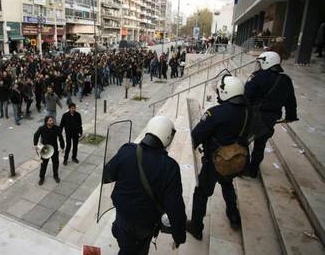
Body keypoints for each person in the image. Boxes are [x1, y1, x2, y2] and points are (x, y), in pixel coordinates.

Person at [103, 116, 187, 254]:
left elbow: (107, 176)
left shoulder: (127, 150)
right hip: (144, 225)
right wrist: (179, 236)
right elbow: (175, 207)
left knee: (125, 246)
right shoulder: (170, 167)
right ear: (167, 137)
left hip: (122, 217)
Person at [187, 75, 249, 240]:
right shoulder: (248, 112)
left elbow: (196, 135)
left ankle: (196, 227)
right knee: (227, 185)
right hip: (236, 160)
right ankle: (234, 217)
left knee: (201, 193)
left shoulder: (215, 113)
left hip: (215, 162)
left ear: (227, 92)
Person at [244, 51, 298, 178]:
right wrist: (291, 116)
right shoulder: (286, 80)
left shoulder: (257, 77)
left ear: (267, 62)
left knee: (243, 141)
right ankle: (253, 170)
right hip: (271, 119)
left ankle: (244, 167)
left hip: (254, 116)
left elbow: (247, 96)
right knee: (260, 144)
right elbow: (291, 101)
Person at [33, 116, 65, 184]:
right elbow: (36, 135)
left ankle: (55, 176)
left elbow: (60, 137)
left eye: (52, 120)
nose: (52, 122)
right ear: (46, 122)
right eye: (50, 121)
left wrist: (62, 147)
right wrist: (35, 144)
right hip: (45, 149)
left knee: (56, 163)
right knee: (43, 165)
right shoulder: (42, 128)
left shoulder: (56, 128)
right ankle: (42, 178)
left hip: (54, 149)